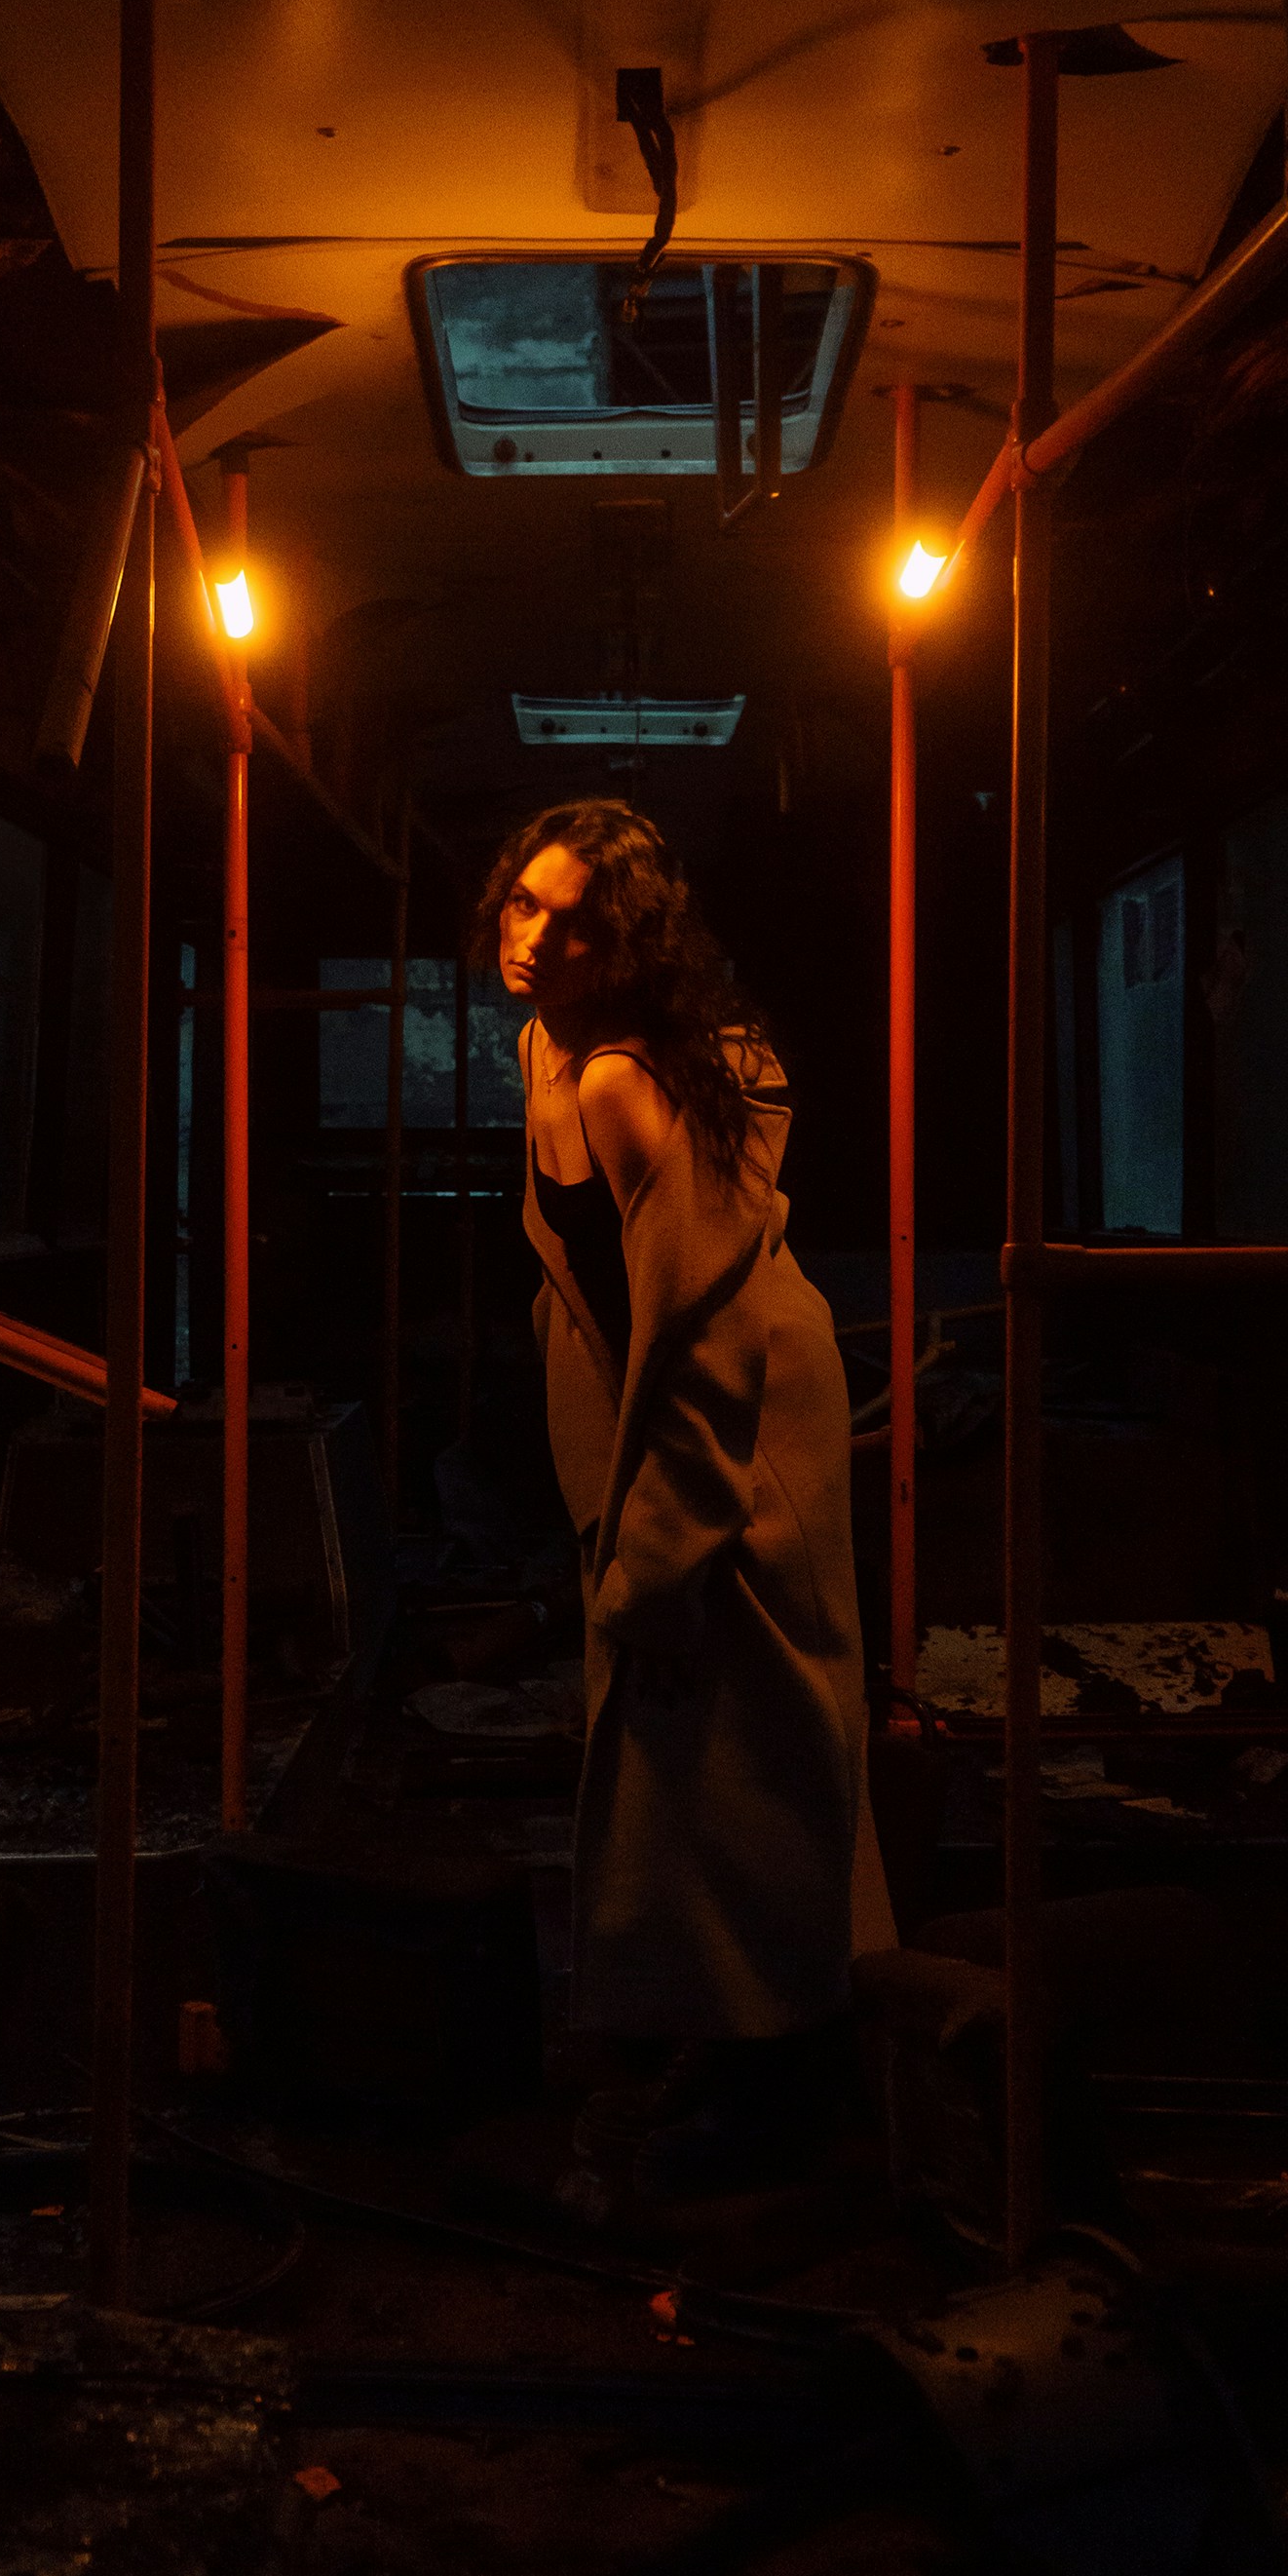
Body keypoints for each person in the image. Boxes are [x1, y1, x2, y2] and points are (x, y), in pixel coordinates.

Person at [479, 797, 895, 2199]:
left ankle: (794, 2076)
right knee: (690, 1756)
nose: (532, 937)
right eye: (522, 904)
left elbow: (708, 1341)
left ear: (626, 946)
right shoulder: (548, 1049)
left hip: (743, 1435)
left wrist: (663, 1555)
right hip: (664, 1429)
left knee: (749, 1752)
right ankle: (737, 2045)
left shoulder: (616, 1078)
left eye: (571, 919)